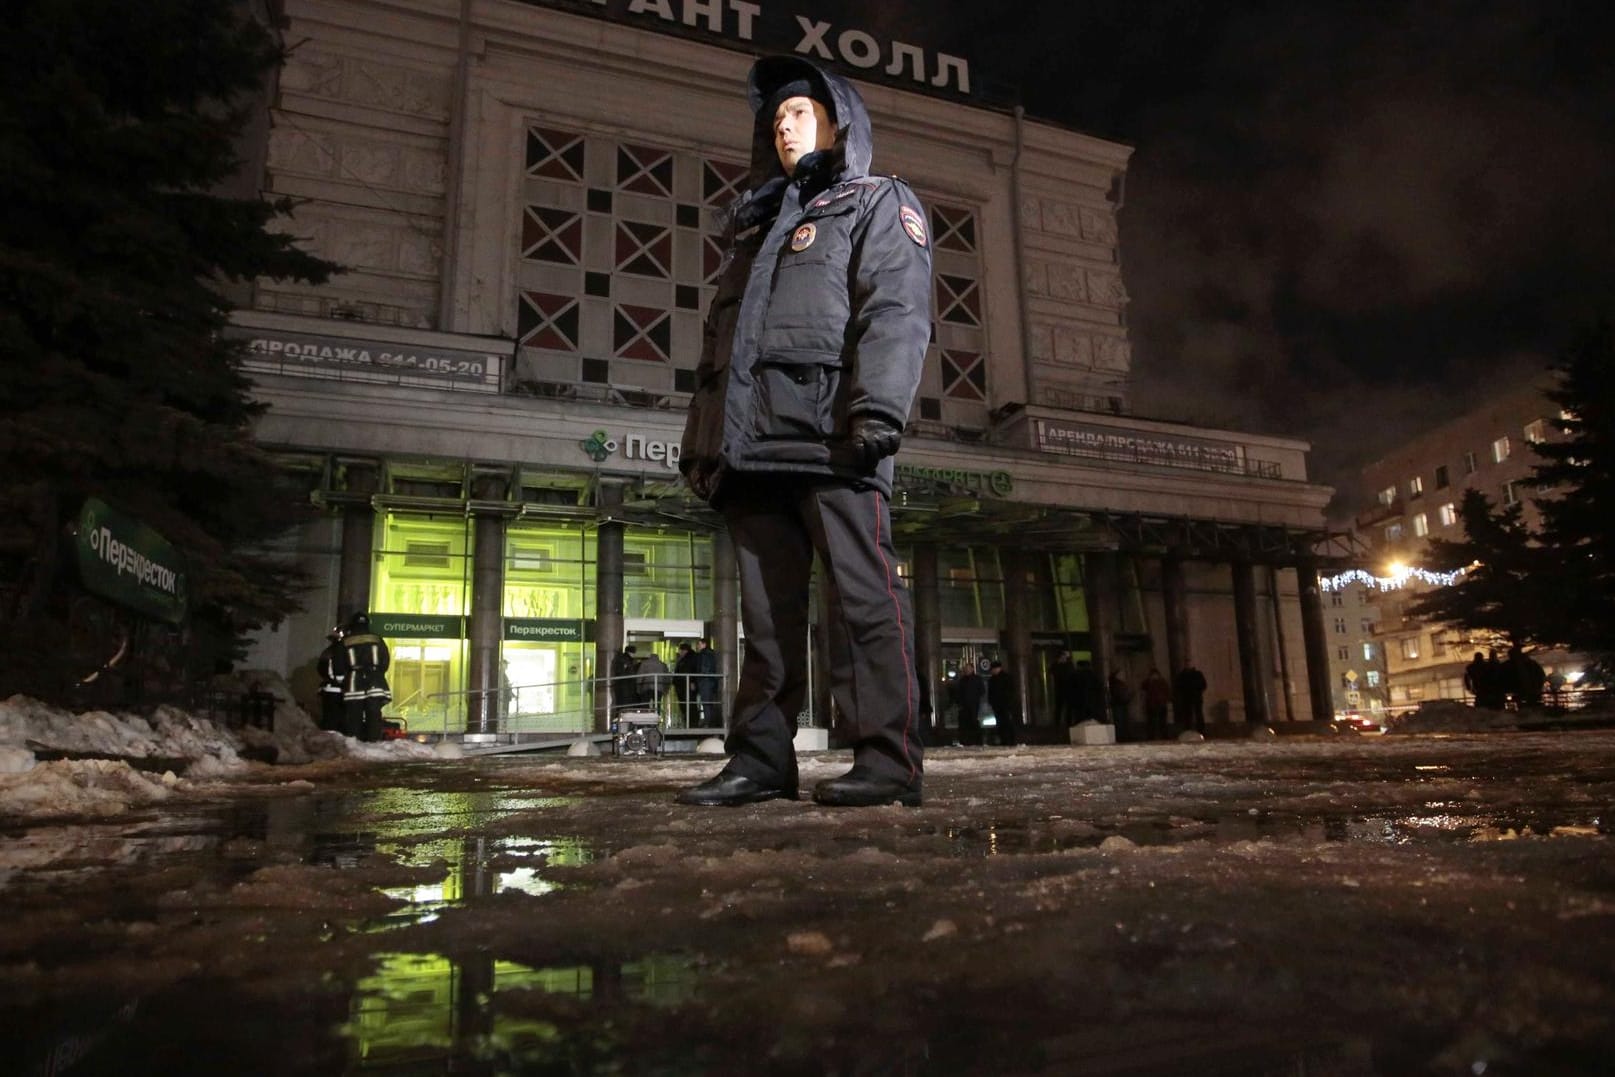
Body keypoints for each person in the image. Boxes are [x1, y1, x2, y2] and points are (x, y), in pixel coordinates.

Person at [673, 55, 933, 808]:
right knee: (766, 621)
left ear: (837, 120)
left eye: (801, 112)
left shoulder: (876, 200)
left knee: (865, 604)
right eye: (776, 117)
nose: (785, 125)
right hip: (752, 450)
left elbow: (895, 309)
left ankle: (888, 761)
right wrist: (704, 444)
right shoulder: (754, 233)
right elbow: (720, 353)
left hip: (833, 441)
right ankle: (760, 760)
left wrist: (877, 411)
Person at [334, 612, 391, 742]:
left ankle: (355, 743)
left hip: (354, 682)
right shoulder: (377, 639)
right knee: (374, 714)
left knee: (354, 715)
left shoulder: (346, 641)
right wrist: (378, 674)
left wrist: (341, 679)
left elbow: (339, 662)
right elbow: (385, 660)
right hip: (375, 681)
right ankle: (374, 742)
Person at [315, 626, 346, 732]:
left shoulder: (326, 652)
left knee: (328, 719)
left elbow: (320, 669)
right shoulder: (342, 652)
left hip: (326, 690)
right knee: (337, 721)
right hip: (339, 691)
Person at [986, 660, 1022, 746]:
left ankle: (1010, 740)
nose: (992, 671)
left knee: (1007, 722)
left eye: (993, 669)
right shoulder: (992, 679)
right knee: (1000, 723)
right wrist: (991, 702)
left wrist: (1008, 702)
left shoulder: (1006, 677)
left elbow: (1011, 691)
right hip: (997, 705)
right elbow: (990, 692)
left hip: (1005, 704)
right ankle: (1004, 740)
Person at [952, 664, 985, 746]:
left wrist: (974, 697)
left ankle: (976, 740)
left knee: (973, 721)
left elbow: (982, 691)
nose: (967, 670)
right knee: (965, 723)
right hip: (964, 705)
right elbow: (958, 693)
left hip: (973, 705)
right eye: (966, 669)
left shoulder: (977, 679)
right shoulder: (962, 680)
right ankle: (966, 740)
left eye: (968, 668)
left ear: (972, 669)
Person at [692, 637, 720, 727]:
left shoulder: (703, 655)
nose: (697, 646)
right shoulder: (711, 654)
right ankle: (711, 722)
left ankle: (708, 723)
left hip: (705, 681)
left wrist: (699, 679)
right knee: (709, 703)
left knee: (706, 702)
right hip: (710, 681)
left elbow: (703, 669)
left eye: (699, 644)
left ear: (704, 645)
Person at [637, 648, 672, 717]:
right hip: (659, 688)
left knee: (645, 705)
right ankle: (656, 719)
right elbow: (667, 678)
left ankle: (645, 719)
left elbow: (639, 676)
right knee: (657, 705)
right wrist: (666, 689)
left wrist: (638, 688)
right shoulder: (663, 665)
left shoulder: (644, 663)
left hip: (646, 687)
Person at [1173, 663, 1207, 734]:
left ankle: (1201, 729)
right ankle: (1188, 729)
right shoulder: (1182, 675)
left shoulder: (1197, 674)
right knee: (1188, 715)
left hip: (1195, 697)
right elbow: (1177, 687)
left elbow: (1203, 685)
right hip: (1187, 698)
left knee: (1198, 714)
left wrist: (1197, 690)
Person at [673, 642, 700, 727]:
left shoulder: (690, 658)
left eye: (681, 650)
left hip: (686, 684)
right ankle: (689, 721)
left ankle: (692, 722)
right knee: (687, 703)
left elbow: (691, 670)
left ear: (685, 650)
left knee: (689, 703)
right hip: (683, 684)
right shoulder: (685, 659)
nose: (680, 652)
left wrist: (692, 681)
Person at [610, 644, 642, 715]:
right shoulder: (624, 660)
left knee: (624, 706)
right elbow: (624, 673)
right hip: (625, 688)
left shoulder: (625, 659)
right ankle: (622, 722)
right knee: (624, 706)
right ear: (630, 652)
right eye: (634, 652)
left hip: (625, 687)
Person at [1050, 649, 1079, 728]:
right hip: (1061, 689)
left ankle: (1066, 723)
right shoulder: (1058, 665)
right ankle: (1058, 723)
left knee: (1066, 707)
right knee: (1060, 706)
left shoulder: (1068, 665)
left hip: (1066, 689)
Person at [1141, 667, 1171, 740]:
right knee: (1153, 722)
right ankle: (1153, 736)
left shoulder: (1161, 682)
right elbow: (1143, 687)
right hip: (1153, 705)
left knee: (1161, 722)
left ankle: (1163, 736)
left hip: (1159, 704)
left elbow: (1166, 692)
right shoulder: (1150, 682)